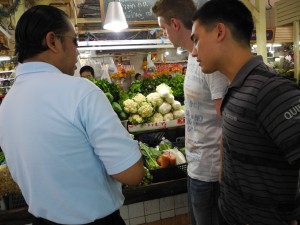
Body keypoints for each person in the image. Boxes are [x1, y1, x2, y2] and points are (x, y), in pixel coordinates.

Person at [0, 5, 144, 225]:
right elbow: (132, 173)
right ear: (52, 41)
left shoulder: (7, 104)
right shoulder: (81, 92)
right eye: (74, 41)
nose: (77, 52)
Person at [191, 1, 300, 225]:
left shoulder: (272, 91)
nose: (193, 52)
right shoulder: (235, 87)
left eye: (196, 40)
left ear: (220, 31)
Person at [152, 1, 228, 225]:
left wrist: (223, 174)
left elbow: (227, 121)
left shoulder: (210, 61)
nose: (164, 34)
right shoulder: (192, 57)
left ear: (174, 24)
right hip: (196, 168)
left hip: (210, 173)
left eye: (164, 28)